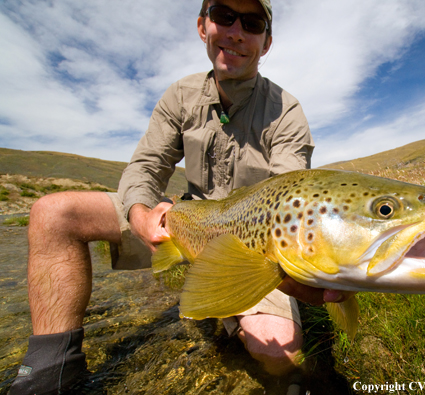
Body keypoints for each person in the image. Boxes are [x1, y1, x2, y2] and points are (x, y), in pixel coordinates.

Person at [9, 0, 353, 394]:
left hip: (249, 244)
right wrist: (140, 214)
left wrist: (294, 273)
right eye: (224, 16)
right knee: (54, 213)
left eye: (252, 22)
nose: (236, 31)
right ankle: (50, 372)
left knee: (281, 356)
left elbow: (289, 196)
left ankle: (221, 302)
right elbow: (145, 168)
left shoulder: (286, 112)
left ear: (267, 42)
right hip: (179, 220)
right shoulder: (180, 96)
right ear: (202, 26)